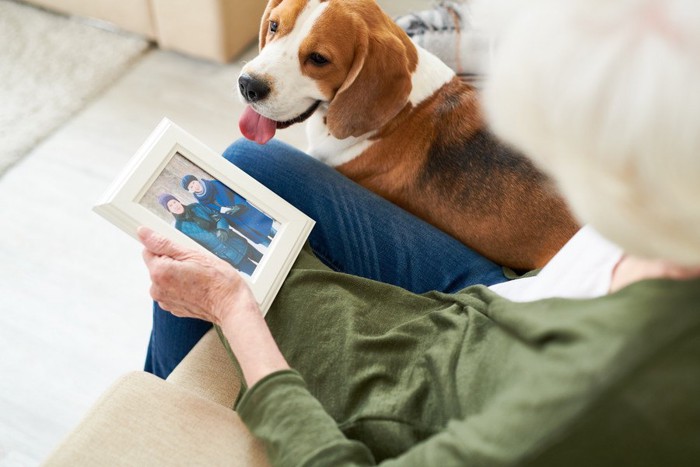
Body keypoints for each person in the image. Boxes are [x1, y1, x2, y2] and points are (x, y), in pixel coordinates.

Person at [140, 0, 700, 464]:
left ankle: (150, 430)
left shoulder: (584, 395)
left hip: (438, 347)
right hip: (512, 301)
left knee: (197, 240)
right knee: (245, 164)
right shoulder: (661, 235)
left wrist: (233, 309)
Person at [158, 193, 262, 276]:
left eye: (174, 202)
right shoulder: (180, 228)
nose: (174, 206)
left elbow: (217, 216)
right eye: (170, 206)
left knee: (264, 262)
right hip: (227, 256)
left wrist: (222, 229)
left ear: (178, 201)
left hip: (238, 242)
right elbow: (198, 249)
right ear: (169, 210)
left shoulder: (196, 207)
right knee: (257, 275)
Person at [181, 174, 275, 246]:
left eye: (193, 183)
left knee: (272, 232)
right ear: (190, 191)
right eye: (191, 187)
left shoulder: (214, 183)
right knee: (265, 242)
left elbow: (235, 192)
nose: (195, 186)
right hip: (238, 223)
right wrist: (222, 212)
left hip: (247, 213)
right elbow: (214, 215)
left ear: (196, 180)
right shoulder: (201, 202)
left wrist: (238, 206)